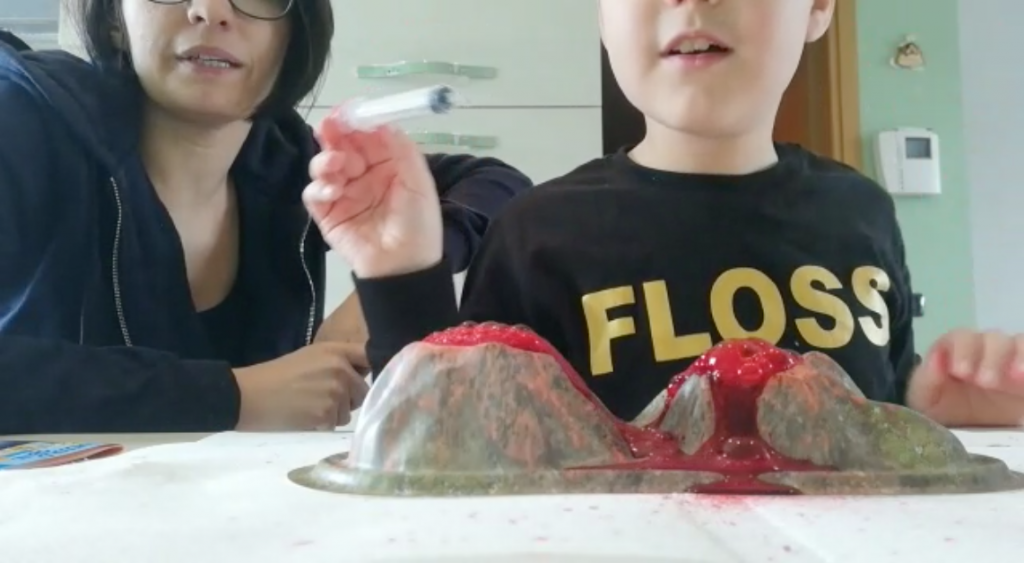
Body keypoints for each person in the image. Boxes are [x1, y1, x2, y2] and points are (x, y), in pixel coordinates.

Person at [306, 0, 1024, 428]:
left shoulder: (860, 211)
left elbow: (881, 410)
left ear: (817, 8)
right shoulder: (538, 235)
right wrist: (401, 275)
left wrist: (939, 410)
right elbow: (454, 441)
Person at [0, 0, 530, 434]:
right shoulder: (28, 126)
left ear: (291, 37)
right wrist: (233, 396)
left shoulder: (289, 162)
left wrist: (381, 290)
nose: (210, 10)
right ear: (116, 17)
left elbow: (494, 183)